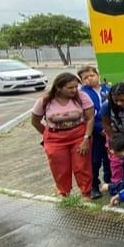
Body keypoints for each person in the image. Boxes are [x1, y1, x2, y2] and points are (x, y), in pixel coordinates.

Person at [30, 72, 95, 201]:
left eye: (76, 86)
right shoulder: (45, 100)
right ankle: (64, 193)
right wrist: (48, 135)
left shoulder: (82, 96)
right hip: (55, 140)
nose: (74, 90)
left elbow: (90, 118)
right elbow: (35, 121)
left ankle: (86, 193)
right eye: (70, 87)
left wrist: (86, 139)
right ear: (59, 87)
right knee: (59, 168)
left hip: (79, 137)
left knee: (82, 166)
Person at [78, 66, 110, 199]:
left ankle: (110, 183)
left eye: (92, 75)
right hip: (94, 133)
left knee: (109, 158)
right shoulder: (82, 94)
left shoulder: (108, 89)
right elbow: (87, 116)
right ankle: (94, 186)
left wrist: (109, 128)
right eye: (85, 77)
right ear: (81, 81)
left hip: (109, 130)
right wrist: (99, 128)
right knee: (94, 160)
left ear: (98, 75)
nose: (89, 79)